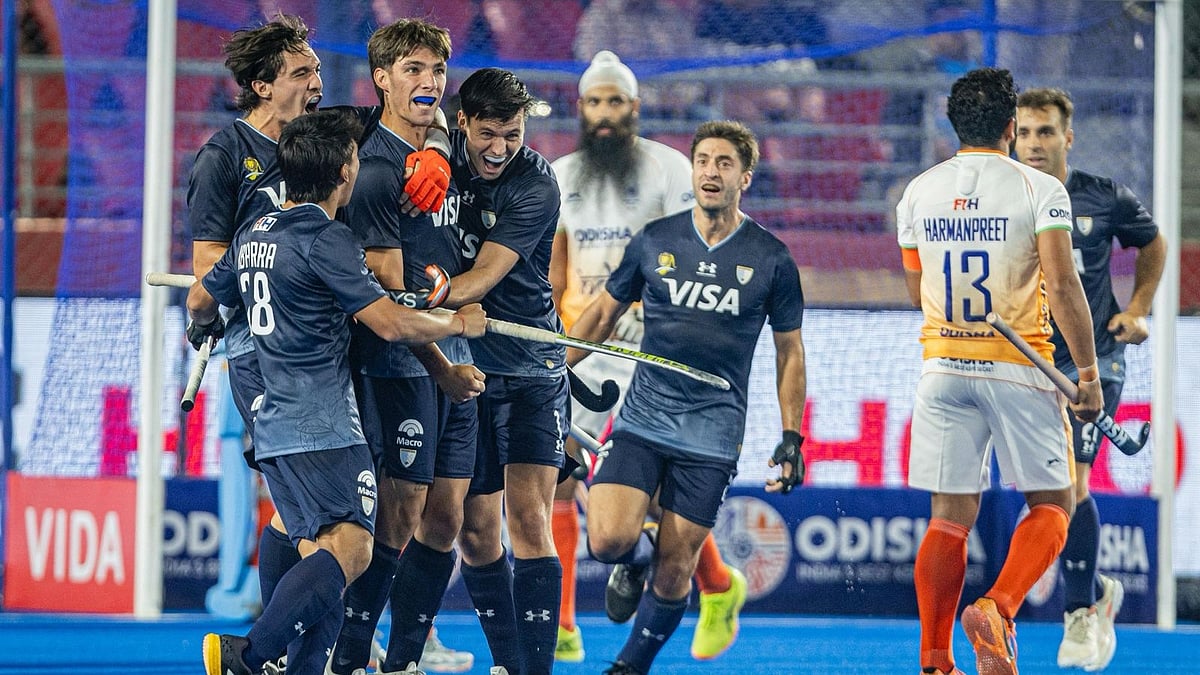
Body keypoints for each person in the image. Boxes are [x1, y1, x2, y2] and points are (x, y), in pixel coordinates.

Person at [191, 109, 487, 675]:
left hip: (272, 421)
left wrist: (205, 324)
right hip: (322, 422)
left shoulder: (255, 232)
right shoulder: (329, 239)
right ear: (346, 171)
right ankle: (249, 656)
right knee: (353, 550)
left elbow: (201, 301)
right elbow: (391, 324)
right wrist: (456, 324)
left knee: (323, 549)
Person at [567, 120, 808, 675]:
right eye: (702, 161)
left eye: (724, 163)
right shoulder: (656, 239)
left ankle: (629, 667)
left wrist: (792, 436)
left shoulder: (772, 258)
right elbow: (602, 315)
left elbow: (790, 353)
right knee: (606, 541)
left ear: (745, 177)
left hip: (713, 433)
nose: (710, 172)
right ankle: (633, 559)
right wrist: (552, 371)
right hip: (644, 418)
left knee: (678, 567)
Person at [896, 67, 1104, 675]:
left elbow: (917, 291)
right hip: (1019, 366)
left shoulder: (917, 191)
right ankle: (999, 608)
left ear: (953, 124)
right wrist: (1087, 374)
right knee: (1055, 504)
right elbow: (1064, 286)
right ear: (1011, 127)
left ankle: (935, 661)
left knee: (948, 518)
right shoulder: (1041, 190)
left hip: (942, 367)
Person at [547, 50, 747, 664]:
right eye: (594, 102)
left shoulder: (670, 170)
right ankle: (566, 622)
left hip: (657, 353)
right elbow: (555, 273)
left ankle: (712, 584)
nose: (604, 114)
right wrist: (559, 342)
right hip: (587, 344)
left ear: (634, 107)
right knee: (557, 478)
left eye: (615, 102)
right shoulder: (556, 175)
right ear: (581, 109)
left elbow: (700, 255)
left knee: (652, 495)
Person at [324, 18, 484, 675]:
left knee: (444, 517)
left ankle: (409, 653)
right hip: (401, 359)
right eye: (412, 71)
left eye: (436, 71)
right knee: (398, 512)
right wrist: (446, 361)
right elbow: (391, 296)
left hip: (450, 350)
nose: (427, 83)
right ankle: (350, 651)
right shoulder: (375, 167)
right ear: (381, 80)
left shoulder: (438, 145)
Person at [1014, 87, 1166, 672]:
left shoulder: (1104, 197)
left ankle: (1079, 614)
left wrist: (1139, 307)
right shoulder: (1002, 201)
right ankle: (1097, 588)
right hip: (1022, 364)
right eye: (1024, 132)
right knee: (1044, 495)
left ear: (1067, 137)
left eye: (1045, 132)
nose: (1033, 144)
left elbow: (1152, 245)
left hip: (1094, 361)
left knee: (1073, 486)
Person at [186, 14, 323, 632]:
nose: (317, 82)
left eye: (317, 69)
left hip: (322, 341)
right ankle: (275, 641)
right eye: (302, 73)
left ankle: (300, 640)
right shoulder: (225, 156)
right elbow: (207, 265)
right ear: (264, 86)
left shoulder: (316, 144)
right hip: (259, 346)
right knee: (305, 501)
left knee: (311, 501)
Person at [441, 67, 569, 675]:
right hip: (465, 369)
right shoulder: (435, 156)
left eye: (512, 134)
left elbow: (478, 283)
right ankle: (510, 664)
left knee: (528, 518)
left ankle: (535, 672)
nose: (499, 149)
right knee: (474, 531)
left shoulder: (536, 184)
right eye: (488, 133)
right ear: (461, 122)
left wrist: (402, 304)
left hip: (530, 365)